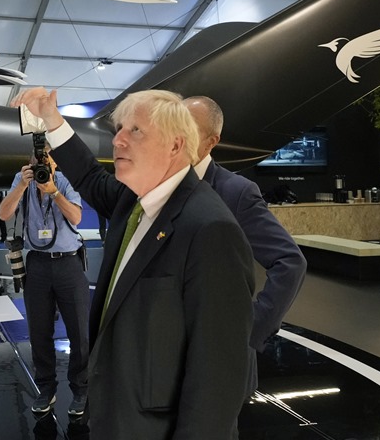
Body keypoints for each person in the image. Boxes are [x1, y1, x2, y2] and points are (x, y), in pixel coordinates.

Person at [13, 87, 254, 439]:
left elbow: (218, 376)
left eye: (135, 130)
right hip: (116, 416)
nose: (118, 141)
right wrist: (52, 118)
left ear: (175, 145)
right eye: (119, 129)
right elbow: (89, 176)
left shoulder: (210, 228)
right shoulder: (134, 200)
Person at [185, 96, 307, 393]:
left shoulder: (235, 192)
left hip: (221, 360)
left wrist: (252, 328)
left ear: (211, 141)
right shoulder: (160, 187)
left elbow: (290, 262)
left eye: (187, 128)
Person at [0, 145, 89, 418]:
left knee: (79, 333)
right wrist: (21, 188)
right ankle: (46, 388)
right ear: (28, 163)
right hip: (37, 264)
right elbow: (4, 214)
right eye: (36, 160)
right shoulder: (21, 181)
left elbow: (77, 217)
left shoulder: (65, 181)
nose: (41, 166)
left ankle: (81, 390)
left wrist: (54, 192)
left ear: (54, 163)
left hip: (68, 263)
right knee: (38, 332)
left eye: (46, 160)